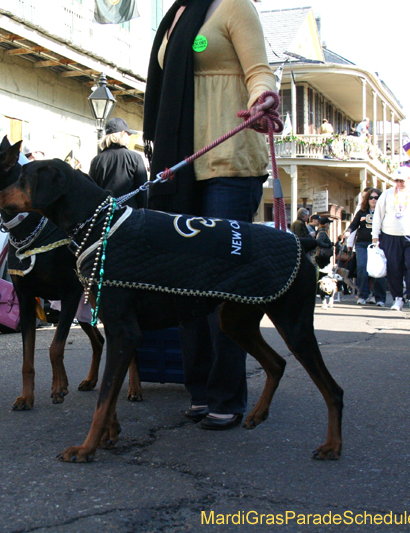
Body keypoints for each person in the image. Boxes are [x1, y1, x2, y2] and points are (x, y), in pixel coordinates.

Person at [143, 0, 277, 430]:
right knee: (186, 284)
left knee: (222, 286)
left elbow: (259, 71)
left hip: (230, 164)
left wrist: (263, 98)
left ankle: (227, 394)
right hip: (180, 170)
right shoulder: (175, 16)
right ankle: (199, 388)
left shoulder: (236, 6)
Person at [372, 168, 410, 312]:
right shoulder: (387, 194)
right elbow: (378, 215)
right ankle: (398, 298)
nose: (399, 183)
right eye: (397, 180)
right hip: (390, 235)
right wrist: (375, 236)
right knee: (394, 268)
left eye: (402, 180)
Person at [88, 117, 148, 208]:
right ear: (123, 134)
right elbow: (142, 191)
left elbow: (92, 192)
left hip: (105, 215)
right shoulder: (135, 158)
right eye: (128, 134)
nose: (129, 137)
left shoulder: (96, 160)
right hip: (129, 215)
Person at [346, 187, 386, 306]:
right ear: (367, 199)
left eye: (376, 198)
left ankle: (379, 297)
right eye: (371, 198)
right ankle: (363, 295)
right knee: (362, 268)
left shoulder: (384, 212)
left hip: (378, 244)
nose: (373, 200)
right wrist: (347, 232)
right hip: (362, 244)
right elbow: (353, 225)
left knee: (378, 270)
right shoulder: (362, 211)